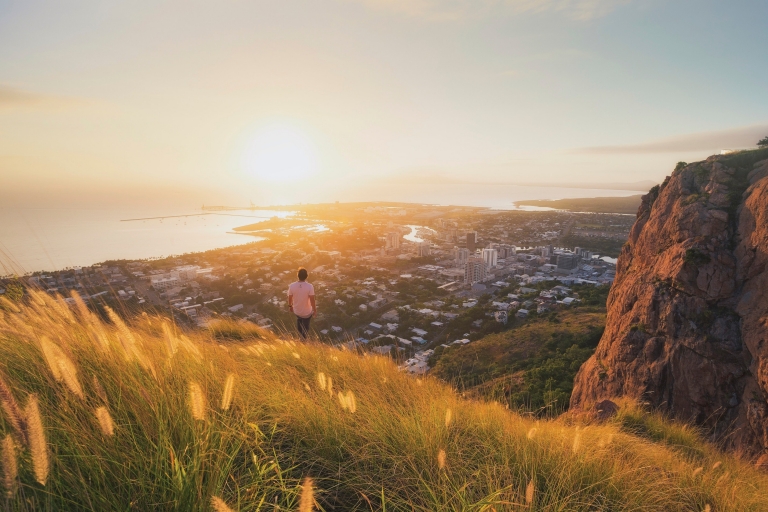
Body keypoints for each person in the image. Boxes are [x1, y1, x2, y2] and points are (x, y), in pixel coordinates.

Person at [287, 267, 316, 339]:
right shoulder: (310, 286)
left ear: (298, 275)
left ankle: (300, 336)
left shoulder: (292, 286)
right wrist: (315, 310)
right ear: (306, 276)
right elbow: (312, 300)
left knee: (299, 319)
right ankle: (303, 339)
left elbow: (290, 297)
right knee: (306, 326)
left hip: (297, 311)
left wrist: (290, 306)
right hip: (307, 312)